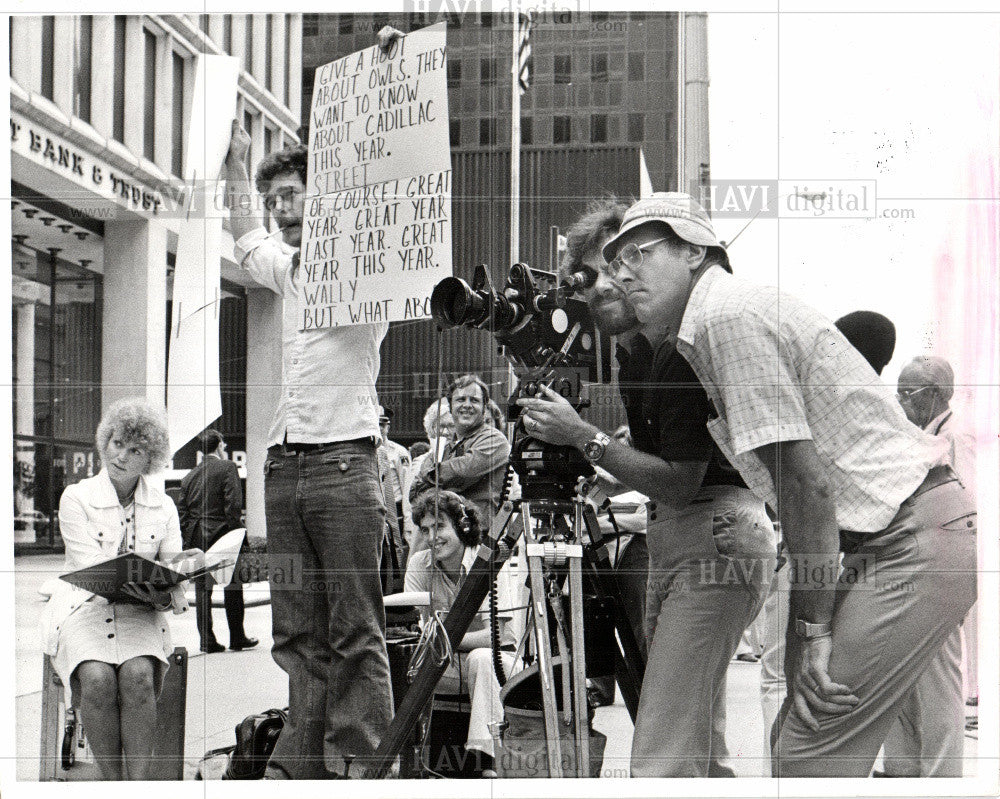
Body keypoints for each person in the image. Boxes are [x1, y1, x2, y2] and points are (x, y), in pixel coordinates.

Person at [598, 192, 976, 777]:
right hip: (899, 536)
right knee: (800, 740)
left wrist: (814, 629)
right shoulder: (708, 330)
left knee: (807, 750)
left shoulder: (727, 318)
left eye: (638, 254)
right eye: (614, 261)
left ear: (696, 253)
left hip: (909, 539)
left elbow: (806, 487)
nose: (621, 273)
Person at [524, 196, 776, 776]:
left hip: (714, 535)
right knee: (696, 743)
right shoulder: (638, 357)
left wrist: (585, 437)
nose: (601, 287)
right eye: (587, 276)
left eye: (619, 267)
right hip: (688, 537)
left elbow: (683, 482)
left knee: (661, 748)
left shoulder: (675, 353)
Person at [222, 32, 400, 777]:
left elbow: (384, 172)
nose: (283, 211)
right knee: (296, 628)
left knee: (356, 625)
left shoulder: (367, 263)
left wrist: (389, 79)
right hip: (286, 470)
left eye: (294, 197)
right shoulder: (286, 271)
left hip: (344, 464)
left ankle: (360, 763)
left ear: (325, 195)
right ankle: (305, 760)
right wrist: (235, 169)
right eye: (275, 202)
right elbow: (244, 231)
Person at [40, 398, 189, 780]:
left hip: (141, 613)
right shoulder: (76, 497)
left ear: (150, 459)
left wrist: (175, 583)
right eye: (117, 442)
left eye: (134, 449)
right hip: (84, 610)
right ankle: (112, 780)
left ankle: (136, 785)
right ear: (105, 441)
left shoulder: (165, 506)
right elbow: (92, 571)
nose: (120, 455)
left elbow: (172, 569)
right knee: (96, 678)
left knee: (138, 677)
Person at [878, 355, 978, 777]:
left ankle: (941, 779)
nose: (898, 402)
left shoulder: (955, 439)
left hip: (938, 576)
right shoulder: (919, 436)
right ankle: (902, 774)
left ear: (934, 395)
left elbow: (964, 513)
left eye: (906, 393)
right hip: (910, 571)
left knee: (937, 687)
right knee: (901, 684)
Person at [403, 490, 517, 776]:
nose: (431, 537)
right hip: (446, 662)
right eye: (425, 529)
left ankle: (484, 761)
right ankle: (406, 762)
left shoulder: (490, 561)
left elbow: (498, 637)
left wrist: (441, 639)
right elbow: (415, 630)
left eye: (439, 526)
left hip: (497, 665)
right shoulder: (419, 564)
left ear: (463, 526)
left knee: (481, 658)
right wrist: (438, 642)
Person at [177, 429, 256, 653]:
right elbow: (233, 506)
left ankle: (207, 640)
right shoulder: (228, 467)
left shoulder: (189, 476)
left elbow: (182, 512)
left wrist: (188, 538)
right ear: (220, 445)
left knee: (203, 590)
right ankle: (237, 636)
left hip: (197, 537)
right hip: (223, 533)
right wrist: (238, 534)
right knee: (233, 586)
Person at [409, 375, 512, 518]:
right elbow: (414, 493)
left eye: (474, 400)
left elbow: (463, 472)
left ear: (484, 408)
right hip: (448, 531)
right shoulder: (446, 446)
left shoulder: (494, 439)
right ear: (451, 407)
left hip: (480, 533)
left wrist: (429, 476)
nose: (467, 405)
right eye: (461, 399)